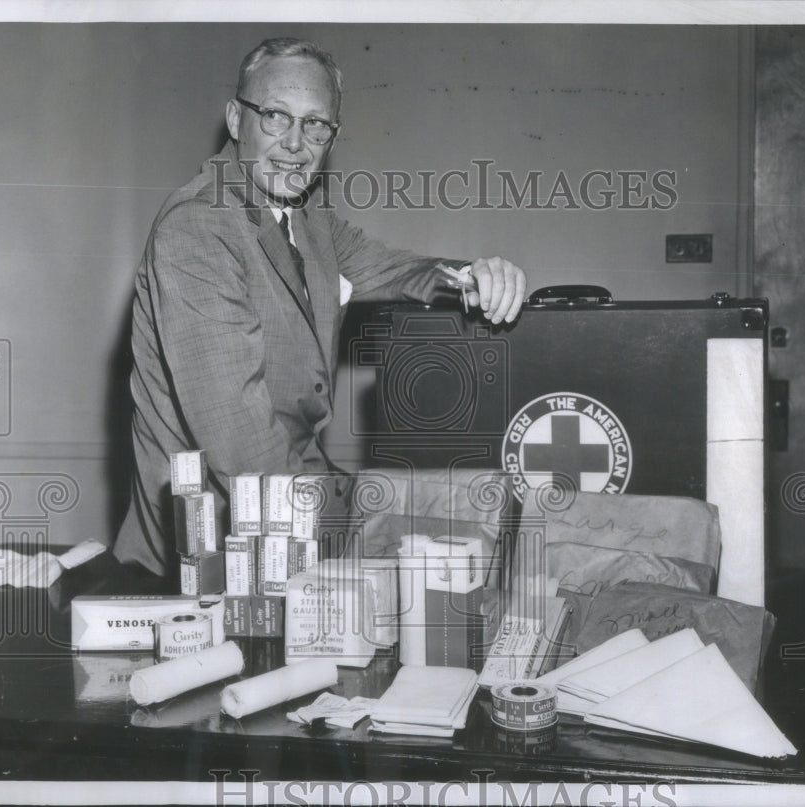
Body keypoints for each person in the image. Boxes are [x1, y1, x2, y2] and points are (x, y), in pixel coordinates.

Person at [114, 38, 527, 574]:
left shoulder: (304, 217)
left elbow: (398, 270)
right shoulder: (199, 227)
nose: (295, 144)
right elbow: (242, 443)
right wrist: (344, 544)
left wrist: (476, 275)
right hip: (208, 557)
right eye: (275, 117)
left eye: (316, 125)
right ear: (237, 120)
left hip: (283, 511)